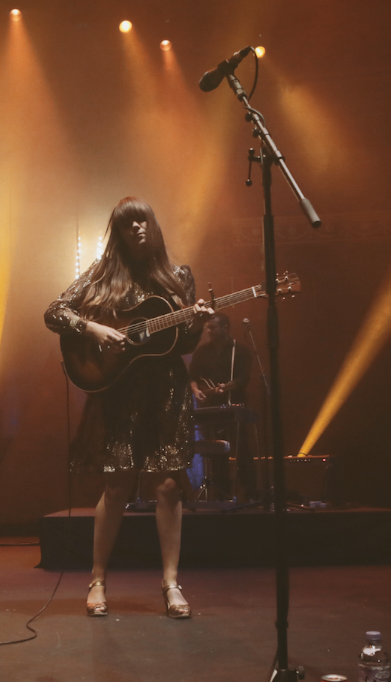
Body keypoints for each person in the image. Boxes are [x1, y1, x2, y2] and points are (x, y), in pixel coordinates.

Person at [44, 198, 214, 619]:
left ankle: (171, 583)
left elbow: (185, 345)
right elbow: (54, 312)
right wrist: (95, 328)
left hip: (168, 391)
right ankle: (97, 579)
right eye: (125, 224)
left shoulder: (179, 277)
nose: (135, 228)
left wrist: (195, 323)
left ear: (152, 226)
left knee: (169, 486)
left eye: (141, 220)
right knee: (118, 485)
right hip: (121, 389)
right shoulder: (103, 274)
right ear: (117, 233)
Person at [188, 314, 256, 500]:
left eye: (213, 328)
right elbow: (192, 376)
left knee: (240, 448)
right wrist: (196, 391)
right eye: (207, 328)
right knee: (216, 450)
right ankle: (221, 491)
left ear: (225, 328)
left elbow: (243, 379)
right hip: (211, 407)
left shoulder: (239, 350)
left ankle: (250, 491)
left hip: (233, 404)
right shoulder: (202, 351)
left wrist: (226, 387)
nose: (208, 331)